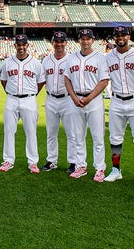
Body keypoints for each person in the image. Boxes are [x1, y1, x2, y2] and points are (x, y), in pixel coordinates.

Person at [103, 26, 134, 187]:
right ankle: (116, 170)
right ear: (114, 38)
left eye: (123, 34)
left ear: (129, 36)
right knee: (115, 137)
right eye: (117, 35)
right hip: (116, 100)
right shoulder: (108, 58)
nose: (120, 37)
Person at [64, 29, 109, 182]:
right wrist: (73, 97)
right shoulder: (71, 58)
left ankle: (100, 168)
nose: (85, 41)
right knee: (78, 136)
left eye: (88, 39)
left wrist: (89, 98)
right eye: (82, 39)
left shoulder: (100, 58)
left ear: (92, 40)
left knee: (98, 137)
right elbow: (67, 79)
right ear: (79, 41)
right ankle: (80, 166)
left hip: (94, 99)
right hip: (75, 99)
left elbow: (104, 81)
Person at [0, 34, 45, 173]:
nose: (21, 47)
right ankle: (8, 160)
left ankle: (32, 162)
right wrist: (11, 92)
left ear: (27, 46)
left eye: (23, 44)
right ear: (15, 46)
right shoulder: (7, 62)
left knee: (31, 131)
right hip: (12, 99)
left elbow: (41, 81)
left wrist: (32, 94)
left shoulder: (36, 63)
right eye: (18, 44)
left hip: (29, 99)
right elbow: (3, 80)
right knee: (8, 130)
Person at [40, 31, 77, 174]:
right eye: (56, 41)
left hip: (67, 98)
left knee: (71, 132)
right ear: (52, 43)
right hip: (50, 98)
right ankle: (51, 160)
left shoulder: (71, 59)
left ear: (66, 43)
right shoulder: (46, 60)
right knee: (51, 132)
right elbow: (42, 80)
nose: (59, 44)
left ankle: (73, 162)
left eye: (62, 41)